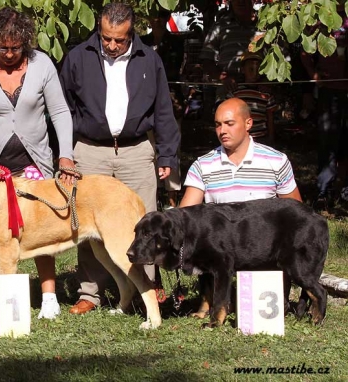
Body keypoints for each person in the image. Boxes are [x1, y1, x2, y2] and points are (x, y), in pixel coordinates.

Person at [59, 2, 180, 315]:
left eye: (119, 40)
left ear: (132, 33)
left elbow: (163, 110)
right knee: (86, 224)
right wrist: (65, 152)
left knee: (147, 221)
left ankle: (148, 290)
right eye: (106, 38)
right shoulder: (77, 57)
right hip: (89, 149)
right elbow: (62, 109)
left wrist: (167, 153)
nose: (111, 45)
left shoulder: (150, 60)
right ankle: (90, 292)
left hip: (137, 150)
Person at [0, 7, 77, 319]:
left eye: (16, 48)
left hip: (35, 164)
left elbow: (60, 112)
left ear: (25, 42)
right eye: (3, 48)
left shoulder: (42, 65)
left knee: (39, 230)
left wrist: (64, 154)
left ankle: (49, 298)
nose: (10, 54)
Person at [180, 97, 302, 318]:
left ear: (248, 123)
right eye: (218, 124)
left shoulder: (276, 161)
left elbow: (296, 215)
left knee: (259, 315)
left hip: (265, 252)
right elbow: (185, 218)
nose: (222, 130)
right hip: (221, 255)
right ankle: (212, 299)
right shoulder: (203, 165)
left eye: (229, 123)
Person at [300, 10, 348, 208]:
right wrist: (313, 74)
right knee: (327, 141)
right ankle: (324, 190)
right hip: (329, 91)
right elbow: (305, 51)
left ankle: (345, 191)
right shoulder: (320, 16)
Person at [141, 9, 185, 209]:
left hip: (172, 99)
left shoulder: (176, 42)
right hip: (146, 102)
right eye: (154, 16)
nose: (157, 20)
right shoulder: (141, 42)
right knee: (149, 149)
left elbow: (173, 69)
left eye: (161, 16)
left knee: (171, 147)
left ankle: (172, 198)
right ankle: (154, 194)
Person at [200, 0, 257, 99]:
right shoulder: (221, 25)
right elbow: (206, 59)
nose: (240, 2)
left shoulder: (265, 25)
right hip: (227, 95)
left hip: (260, 96)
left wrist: (266, 82)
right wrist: (222, 77)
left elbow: (281, 57)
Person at [230, 51, 277, 143]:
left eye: (258, 70)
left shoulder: (266, 93)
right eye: (251, 69)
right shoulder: (235, 92)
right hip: (240, 137)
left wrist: (271, 136)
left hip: (261, 137)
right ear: (243, 70)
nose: (255, 73)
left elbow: (270, 116)